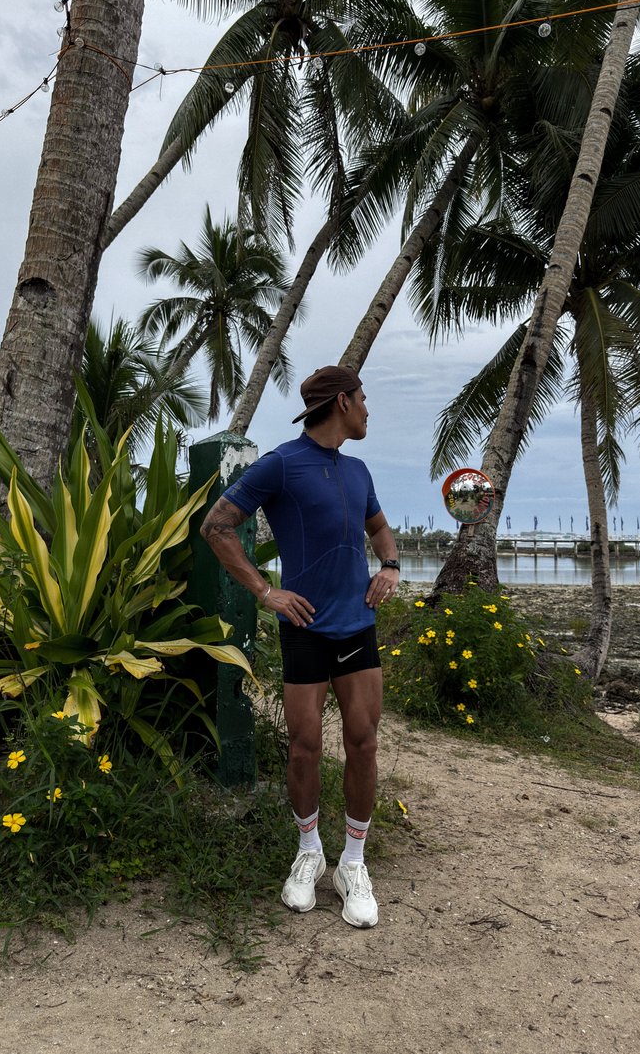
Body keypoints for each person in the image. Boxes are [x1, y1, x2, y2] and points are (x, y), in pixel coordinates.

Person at [199, 365, 400, 929]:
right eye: (363, 398)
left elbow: (379, 529)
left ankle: (352, 862)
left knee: (364, 742)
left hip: (357, 626)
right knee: (304, 748)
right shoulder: (282, 464)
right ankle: (309, 851)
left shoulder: (358, 470)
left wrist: (389, 565)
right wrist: (266, 592)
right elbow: (216, 526)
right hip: (305, 627)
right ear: (343, 402)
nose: (368, 409)